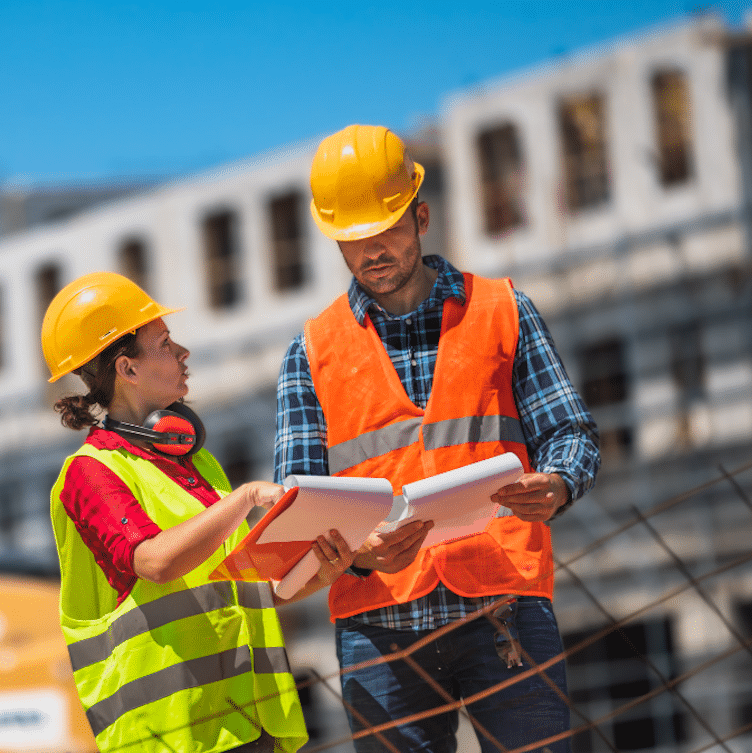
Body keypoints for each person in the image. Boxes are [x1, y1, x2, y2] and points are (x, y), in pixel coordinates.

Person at [274, 125, 601, 753]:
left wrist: (558, 483)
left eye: (387, 231)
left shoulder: (504, 310)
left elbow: (569, 431)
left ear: (421, 217)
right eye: (353, 239)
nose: (372, 251)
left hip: (503, 603)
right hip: (379, 626)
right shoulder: (309, 354)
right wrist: (361, 552)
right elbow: (299, 514)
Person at [43, 271, 350, 753]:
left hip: (249, 721)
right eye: (165, 344)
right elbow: (156, 562)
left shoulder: (195, 462)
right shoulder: (90, 473)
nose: (183, 353)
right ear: (127, 369)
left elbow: (238, 591)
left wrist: (316, 574)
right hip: (173, 734)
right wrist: (243, 498)